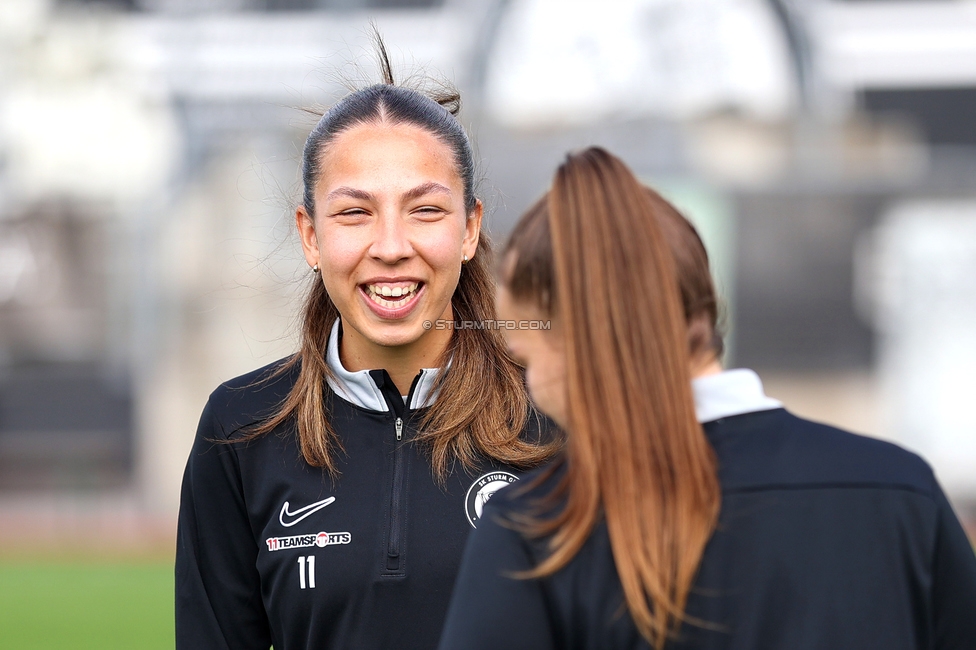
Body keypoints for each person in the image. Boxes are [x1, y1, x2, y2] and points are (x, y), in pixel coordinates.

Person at [438, 147, 976, 650]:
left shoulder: (540, 525)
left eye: (527, 361)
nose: (531, 389)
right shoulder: (901, 494)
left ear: (583, 338)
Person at [175, 46, 557, 650]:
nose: (390, 245)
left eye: (426, 210)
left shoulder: (559, 416)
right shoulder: (239, 427)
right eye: (354, 212)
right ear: (310, 235)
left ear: (470, 229)